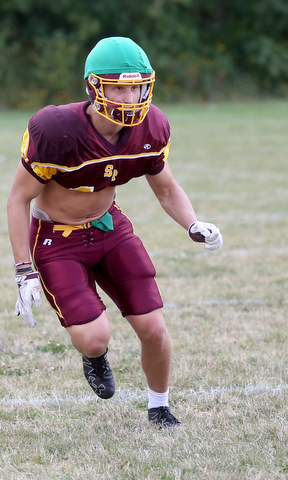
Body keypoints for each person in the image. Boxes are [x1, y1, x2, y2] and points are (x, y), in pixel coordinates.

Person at [7, 37, 223, 429]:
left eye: (137, 86)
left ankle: (159, 407)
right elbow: (18, 200)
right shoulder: (56, 129)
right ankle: (94, 358)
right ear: (94, 87)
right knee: (94, 338)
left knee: (154, 328)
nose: (130, 96)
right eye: (118, 87)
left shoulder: (151, 126)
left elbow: (167, 188)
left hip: (110, 228)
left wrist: (192, 222)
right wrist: (24, 268)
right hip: (57, 239)